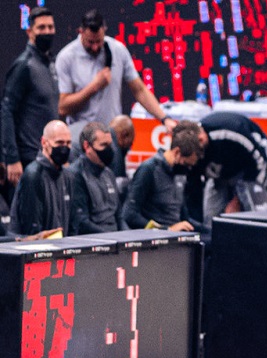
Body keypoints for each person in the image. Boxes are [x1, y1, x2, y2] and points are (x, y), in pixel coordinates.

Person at [55, 9, 176, 130]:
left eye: (99, 41)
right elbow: (63, 107)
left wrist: (164, 118)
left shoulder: (118, 50)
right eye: (90, 42)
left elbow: (139, 90)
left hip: (112, 134)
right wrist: (94, 87)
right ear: (80, 32)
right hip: (81, 135)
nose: (95, 47)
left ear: (104, 31)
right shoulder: (66, 57)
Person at [175, 112, 267, 228]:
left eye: (199, 152)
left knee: (251, 217)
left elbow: (260, 162)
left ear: (201, 138)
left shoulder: (231, 132)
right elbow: (193, 188)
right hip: (220, 173)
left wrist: (238, 200)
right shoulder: (191, 147)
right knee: (211, 219)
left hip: (249, 168)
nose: (199, 156)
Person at [1, 6, 60, 187]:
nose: (47, 32)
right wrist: (12, 158)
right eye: (41, 28)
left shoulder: (50, 64)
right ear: (30, 31)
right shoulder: (23, 66)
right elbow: (6, 111)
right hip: (26, 160)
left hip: (47, 156)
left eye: (50, 27)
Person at [122, 123, 203, 232]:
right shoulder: (149, 169)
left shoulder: (179, 176)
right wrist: (167, 229)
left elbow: (184, 219)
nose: (187, 169)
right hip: (158, 238)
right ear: (177, 152)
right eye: (186, 164)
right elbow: (129, 215)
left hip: (178, 234)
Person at [9, 120, 73, 236]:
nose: (64, 148)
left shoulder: (67, 176)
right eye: (59, 143)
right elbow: (31, 229)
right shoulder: (33, 176)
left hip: (62, 247)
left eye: (68, 143)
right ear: (44, 142)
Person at [68, 121, 123, 233]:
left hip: (115, 238)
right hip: (93, 240)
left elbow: (119, 217)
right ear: (87, 146)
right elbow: (81, 222)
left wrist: (129, 237)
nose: (109, 150)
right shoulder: (75, 175)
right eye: (103, 145)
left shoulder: (109, 174)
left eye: (110, 145)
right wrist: (113, 238)